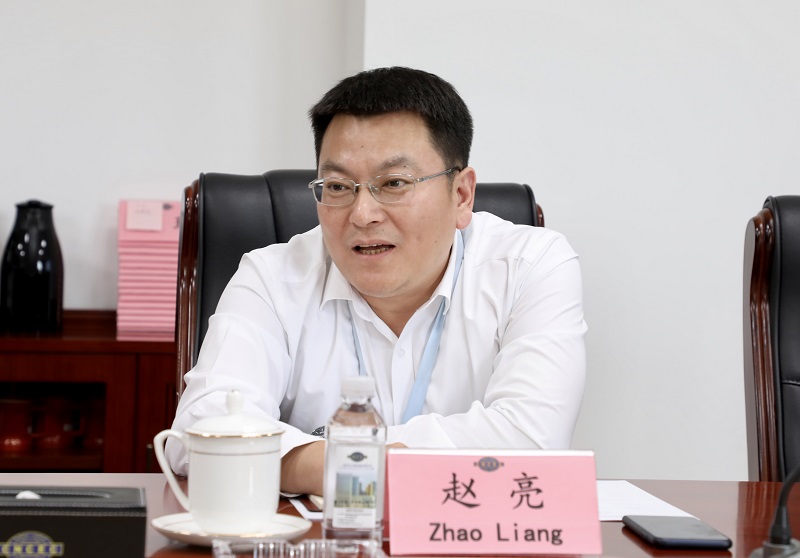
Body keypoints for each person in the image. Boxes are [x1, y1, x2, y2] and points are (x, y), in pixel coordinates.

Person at [166, 66, 587, 496]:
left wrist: (326, 459)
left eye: (394, 183)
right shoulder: (271, 277)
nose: (362, 214)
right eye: (337, 186)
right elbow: (199, 433)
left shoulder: (530, 266)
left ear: (461, 195)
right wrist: (377, 463)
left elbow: (534, 440)